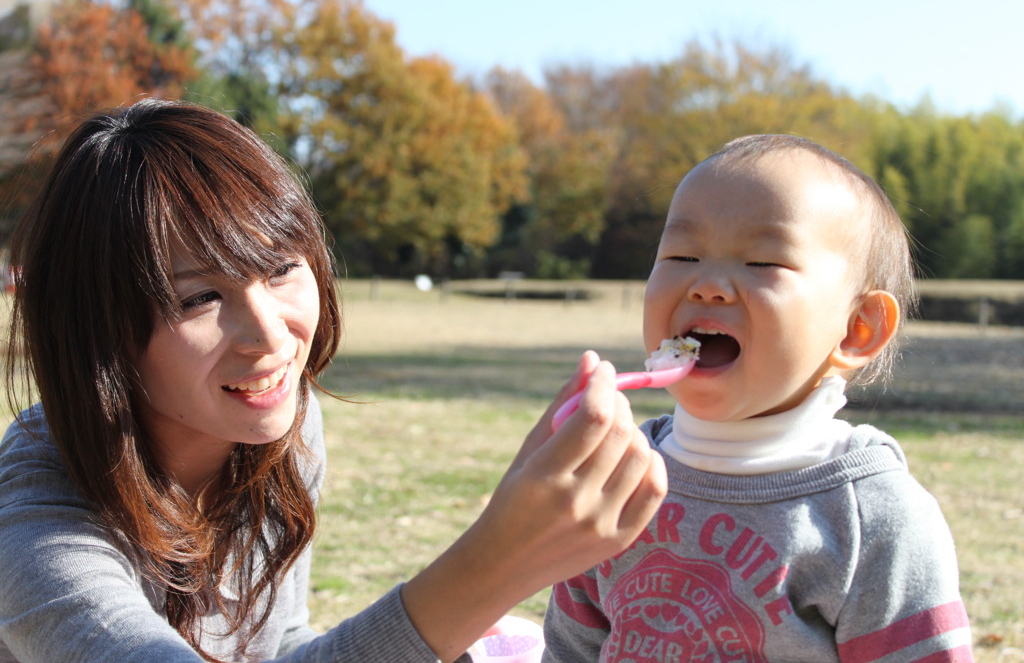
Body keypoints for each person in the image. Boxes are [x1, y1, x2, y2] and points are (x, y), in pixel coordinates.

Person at [0, 98, 669, 663]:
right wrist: (490, 570)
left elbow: (277, 640)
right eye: (198, 298)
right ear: (97, 329)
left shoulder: (281, 428)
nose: (270, 335)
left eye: (280, 269)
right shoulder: (37, 527)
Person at [542, 134, 974, 661]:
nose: (708, 284)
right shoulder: (618, 475)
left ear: (858, 328)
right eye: (682, 254)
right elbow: (570, 646)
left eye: (762, 262)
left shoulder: (873, 517)